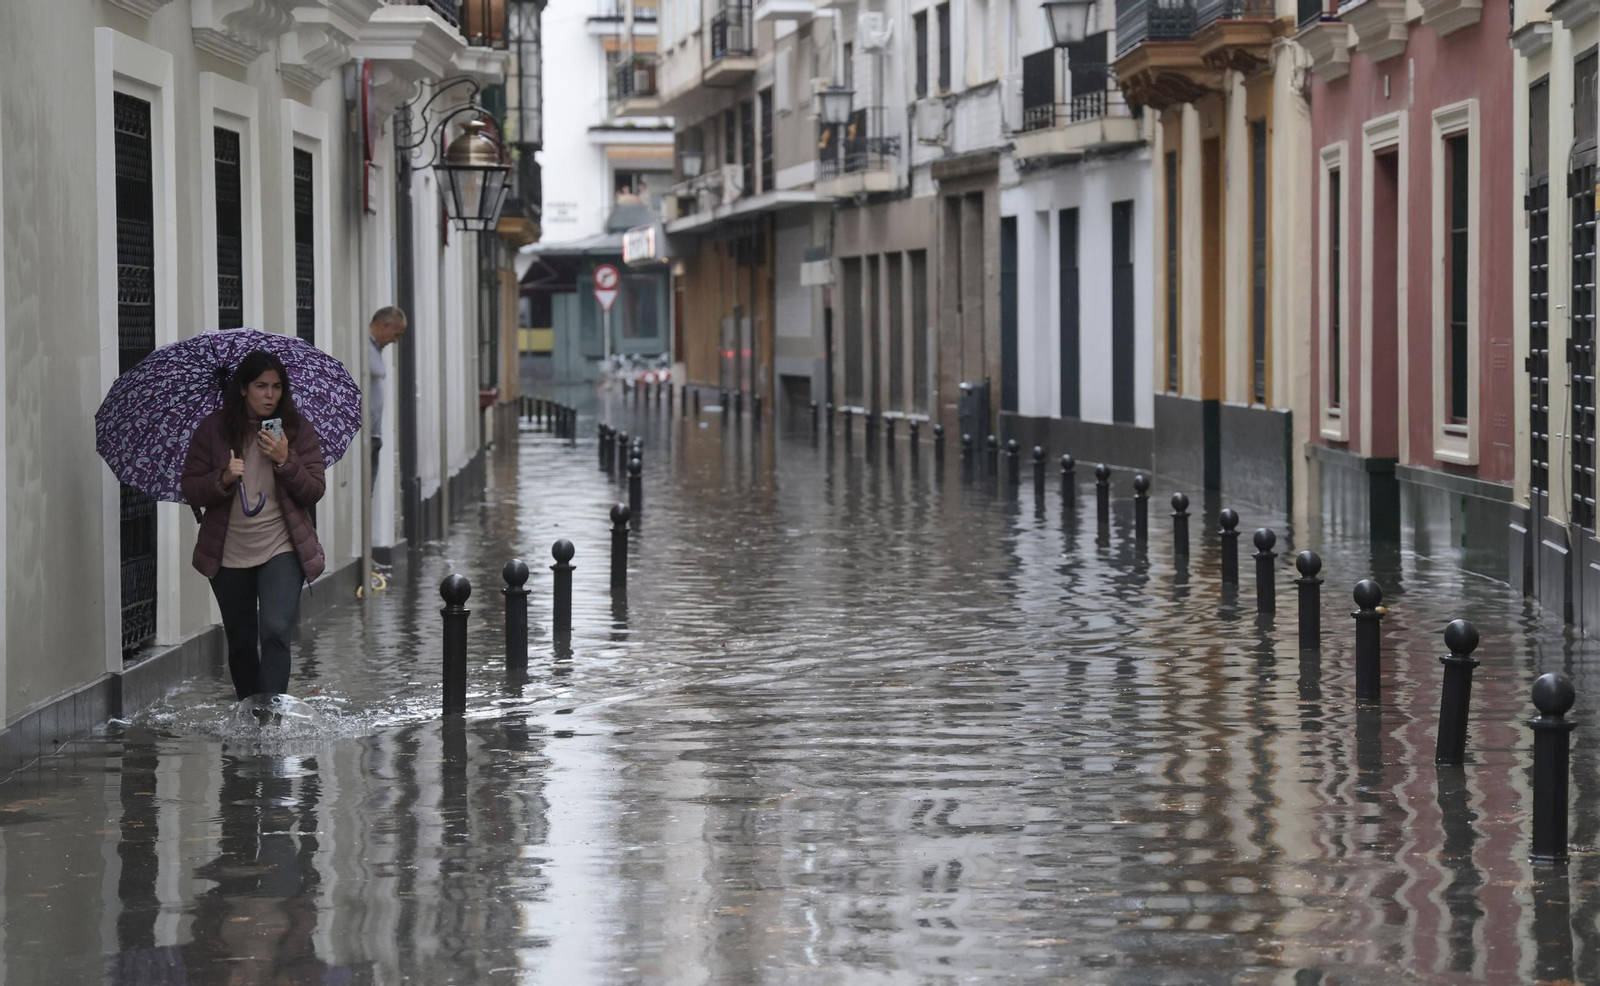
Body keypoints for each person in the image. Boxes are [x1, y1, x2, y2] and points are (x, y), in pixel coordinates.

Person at [181, 350, 326, 701]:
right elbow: (191, 486)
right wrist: (223, 477)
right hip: (229, 550)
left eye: (277, 386)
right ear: (243, 389)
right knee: (242, 642)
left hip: (281, 545)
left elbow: (314, 489)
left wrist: (285, 460)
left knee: (276, 631)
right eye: (261, 386)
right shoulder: (213, 430)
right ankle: (251, 713)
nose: (270, 395)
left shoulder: (294, 430)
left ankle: (272, 718)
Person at [367, 305, 407, 486]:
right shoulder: (364, 348)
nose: (396, 341)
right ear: (385, 326)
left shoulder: (376, 350)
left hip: (374, 435)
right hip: (364, 436)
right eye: (396, 334)